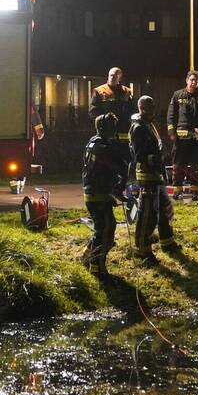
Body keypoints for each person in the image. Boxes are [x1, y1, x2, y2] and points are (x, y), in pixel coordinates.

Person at [131, 96, 177, 265]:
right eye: (148, 107)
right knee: (147, 215)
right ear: (141, 108)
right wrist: (154, 159)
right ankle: (143, 250)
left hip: (157, 176)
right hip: (147, 178)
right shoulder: (138, 127)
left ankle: (167, 241)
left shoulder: (148, 124)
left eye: (153, 107)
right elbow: (138, 156)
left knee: (165, 208)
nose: (152, 110)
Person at [81, 113, 123, 277]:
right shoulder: (102, 148)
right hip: (97, 194)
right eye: (112, 127)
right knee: (105, 230)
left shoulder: (94, 143)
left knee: (104, 228)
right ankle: (97, 267)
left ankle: (87, 256)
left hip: (96, 193)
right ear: (104, 128)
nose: (114, 130)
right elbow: (114, 167)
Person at [167, 70, 198, 198]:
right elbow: (171, 116)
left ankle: (196, 191)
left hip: (197, 139)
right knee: (178, 165)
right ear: (187, 80)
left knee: (196, 165)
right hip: (180, 139)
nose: (193, 83)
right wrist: (171, 133)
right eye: (191, 80)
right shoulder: (177, 96)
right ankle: (177, 191)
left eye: (196, 81)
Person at [89, 67, 134, 190]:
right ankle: (108, 187)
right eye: (110, 75)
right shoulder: (99, 91)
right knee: (108, 162)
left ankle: (120, 188)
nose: (112, 77)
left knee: (125, 162)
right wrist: (102, 123)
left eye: (115, 75)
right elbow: (93, 111)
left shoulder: (127, 92)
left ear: (120, 77)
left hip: (123, 134)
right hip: (107, 135)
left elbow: (132, 110)